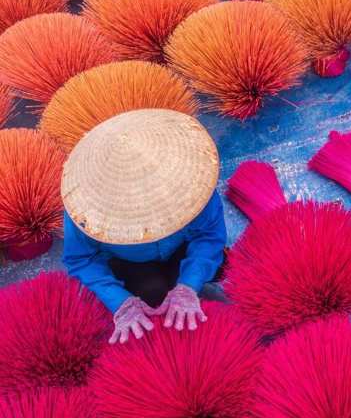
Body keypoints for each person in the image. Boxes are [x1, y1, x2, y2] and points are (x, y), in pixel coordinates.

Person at [61, 109, 227, 345]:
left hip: (182, 246)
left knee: (214, 269)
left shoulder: (195, 183)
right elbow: (81, 260)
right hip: (130, 262)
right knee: (153, 293)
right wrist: (120, 301)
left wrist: (188, 285)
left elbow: (209, 235)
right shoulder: (83, 206)